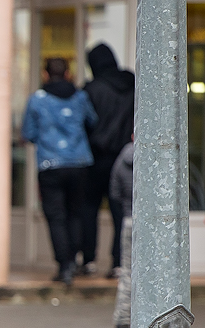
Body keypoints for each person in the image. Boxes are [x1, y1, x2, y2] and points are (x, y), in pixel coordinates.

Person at [21, 58, 98, 286]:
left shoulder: (37, 100)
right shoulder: (80, 97)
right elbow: (92, 121)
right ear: (68, 73)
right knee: (75, 212)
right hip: (80, 162)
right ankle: (74, 260)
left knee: (56, 216)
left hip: (50, 164)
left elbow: (28, 132)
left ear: (45, 74)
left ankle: (64, 266)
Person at [81, 43, 135, 278]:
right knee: (121, 211)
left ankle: (89, 260)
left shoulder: (92, 89)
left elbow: (84, 123)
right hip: (126, 159)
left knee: (89, 209)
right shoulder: (134, 84)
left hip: (96, 158)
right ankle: (119, 261)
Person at [110, 139, 134, 328]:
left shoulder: (122, 159)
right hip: (156, 225)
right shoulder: (163, 157)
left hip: (129, 221)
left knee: (127, 275)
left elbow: (115, 192)